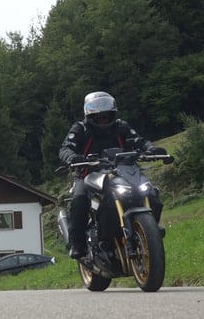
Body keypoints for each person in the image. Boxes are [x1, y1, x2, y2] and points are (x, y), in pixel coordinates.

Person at [59, 91, 168, 259]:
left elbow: (138, 140)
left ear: (113, 112)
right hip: (88, 174)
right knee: (79, 200)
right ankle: (78, 244)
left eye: (106, 114)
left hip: (123, 171)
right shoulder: (81, 128)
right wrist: (73, 157)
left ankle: (150, 228)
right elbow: (66, 148)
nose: (102, 117)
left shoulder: (121, 126)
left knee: (151, 192)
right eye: (98, 114)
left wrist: (151, 149)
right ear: (89, 113)